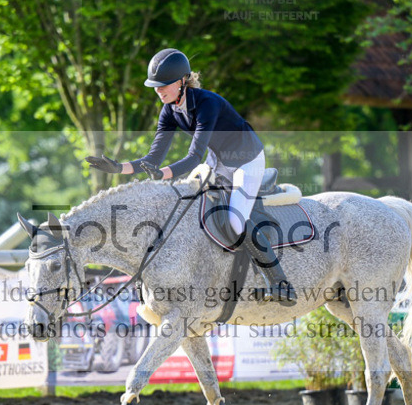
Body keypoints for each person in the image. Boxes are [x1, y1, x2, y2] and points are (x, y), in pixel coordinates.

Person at [85, 48, 295, 304]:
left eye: (163, 85)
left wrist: (162, 174)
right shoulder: (169, 111)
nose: (158, 91)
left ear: (182, 81)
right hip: (219, 160)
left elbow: (194, 156)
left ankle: (280, 283)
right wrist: (119, 168)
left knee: (236, 222)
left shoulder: (207, 103)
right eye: (155, 86)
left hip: (246, 160)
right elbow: (152, 159)